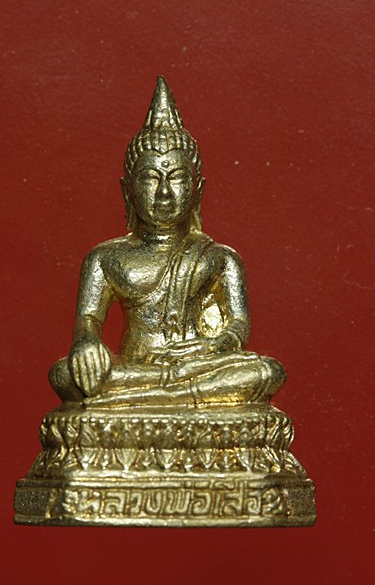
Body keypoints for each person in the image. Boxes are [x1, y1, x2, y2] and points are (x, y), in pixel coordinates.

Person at [49, 77, 285, 408]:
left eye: (176, 178)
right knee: (65, 374)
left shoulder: (219, 259)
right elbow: (88, 321)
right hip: (137, 367)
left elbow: (238, 325)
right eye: (150, 178)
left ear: (198, 190)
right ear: (127, 190)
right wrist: (86, 344)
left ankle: (157, 395)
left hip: (198, 366)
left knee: (265, 372)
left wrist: (213, 347)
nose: (163, 193)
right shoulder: (105, 258)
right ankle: (176, 394)